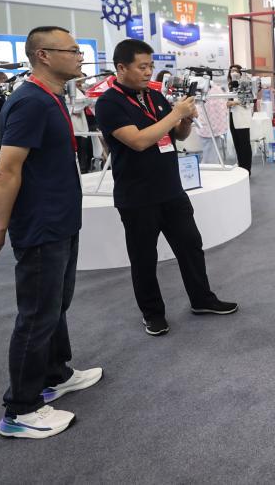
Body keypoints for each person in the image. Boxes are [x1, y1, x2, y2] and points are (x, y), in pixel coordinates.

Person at [0, 26, 103, 440]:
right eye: (73, 50)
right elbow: (7, 170)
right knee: (36, 315)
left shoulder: (52, 97)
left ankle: (55, 374)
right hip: (41, 224)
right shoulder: (29, 101)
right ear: (44, 55)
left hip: (61, 219)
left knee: (56, 305)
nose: (80, 56)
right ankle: (20, 409)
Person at [95, 39, 237, 337]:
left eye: (150, 66)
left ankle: (202, 299)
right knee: (144, 259)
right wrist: (175, 113)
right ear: (121, 68)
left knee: (191, 247)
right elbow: (138, 141)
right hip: (137, 196)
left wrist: (185, 119)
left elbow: (177, 136)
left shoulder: (155, 96)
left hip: (171, 190)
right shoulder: (109, 103)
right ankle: (153, 314)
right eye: (142, 67)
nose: (148, 72)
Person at [226, 65, 254, 172]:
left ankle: (247, 169)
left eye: (235, 71)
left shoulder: (245, 82)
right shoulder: (230, 84)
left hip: (242, 117)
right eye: (231, 71)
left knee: (244, 144)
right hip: (232, 116)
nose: (233, 73)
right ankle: (241, 167)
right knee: (237, 143)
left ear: (240, 72)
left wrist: (234, 103)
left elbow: (250, 100)